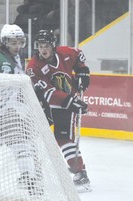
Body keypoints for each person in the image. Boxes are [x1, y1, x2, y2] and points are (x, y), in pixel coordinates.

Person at [26, 29, 91, 192]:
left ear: (53, 45)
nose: (43, 49)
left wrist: (83, 72)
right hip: (45, 104)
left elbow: (79, 55)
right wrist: (71, 101)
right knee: (30, 135)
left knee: (63, 137)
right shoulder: (33, 67)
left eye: (46, 45)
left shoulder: (65, 53)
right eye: (40, 46)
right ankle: (31, 173)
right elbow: (46, 92)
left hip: (66, 103)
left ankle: (80, 173)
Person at [0, 24, 43, 200]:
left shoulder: (7, 55)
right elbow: (3, 91)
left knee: (19, 143)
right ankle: (30, 179)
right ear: (4, 42)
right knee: (18, 145)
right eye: (13, 42)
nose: (17, 46)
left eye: (20, 42)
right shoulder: (3, 62)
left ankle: (29, 179)